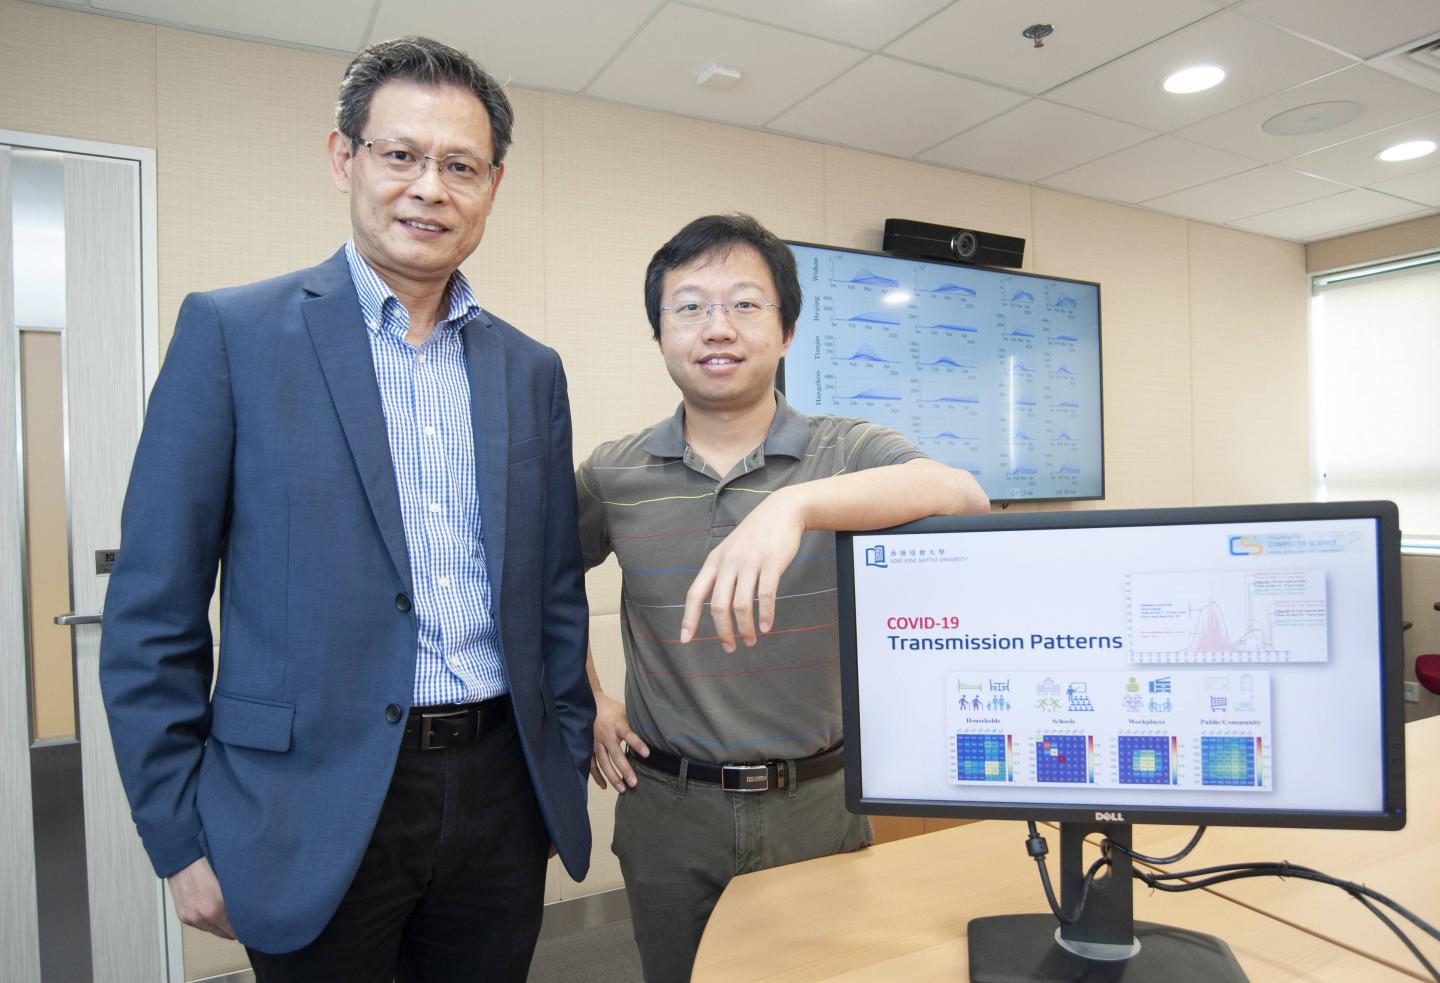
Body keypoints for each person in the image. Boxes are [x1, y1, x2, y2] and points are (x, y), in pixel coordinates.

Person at [99, 37, 593, 982]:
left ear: (493, 185)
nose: (428, 188)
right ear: (344, 158)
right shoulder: (233, 334)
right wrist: (178, 831)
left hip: (501, 792)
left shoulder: (531, 370)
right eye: (400, 154)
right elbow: (153, 610)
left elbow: (555, 593)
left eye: (461, 166)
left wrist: (560, 760)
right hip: (305, 799)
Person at [577, 213, 990, 980]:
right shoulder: (613, 472)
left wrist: (794, 505)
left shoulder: (846, 449)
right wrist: (590, 696)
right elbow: (540, 587)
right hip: (670, 806)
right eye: (689, 306)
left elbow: (964, 495)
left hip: (815, 802)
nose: (717, 327)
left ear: (788, 330)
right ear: (660, 332)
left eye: (745, 303)